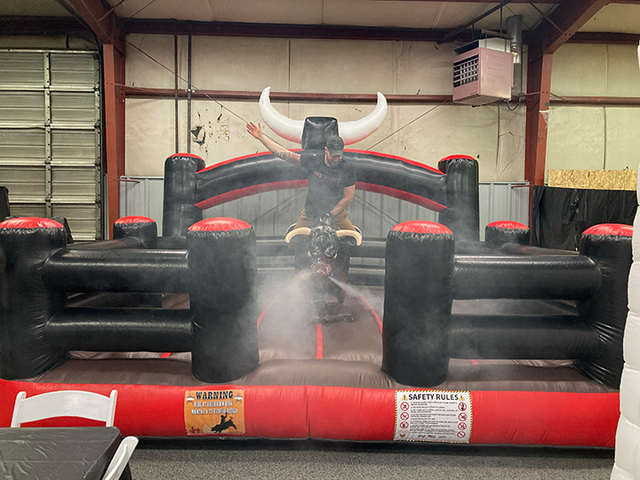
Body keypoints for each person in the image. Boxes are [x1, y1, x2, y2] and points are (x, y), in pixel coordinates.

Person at [246, 122, 356, 231]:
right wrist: (261, 137)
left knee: (355, 241)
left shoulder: (347, 168)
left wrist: (330, 214)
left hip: (336, 214)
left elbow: (348, 197)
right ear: (326, 150)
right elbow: (285, 154)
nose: (336, 160)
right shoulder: (314, 160)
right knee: (293, 241)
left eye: (339, 156)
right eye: (333, 156)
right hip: (311, 212)